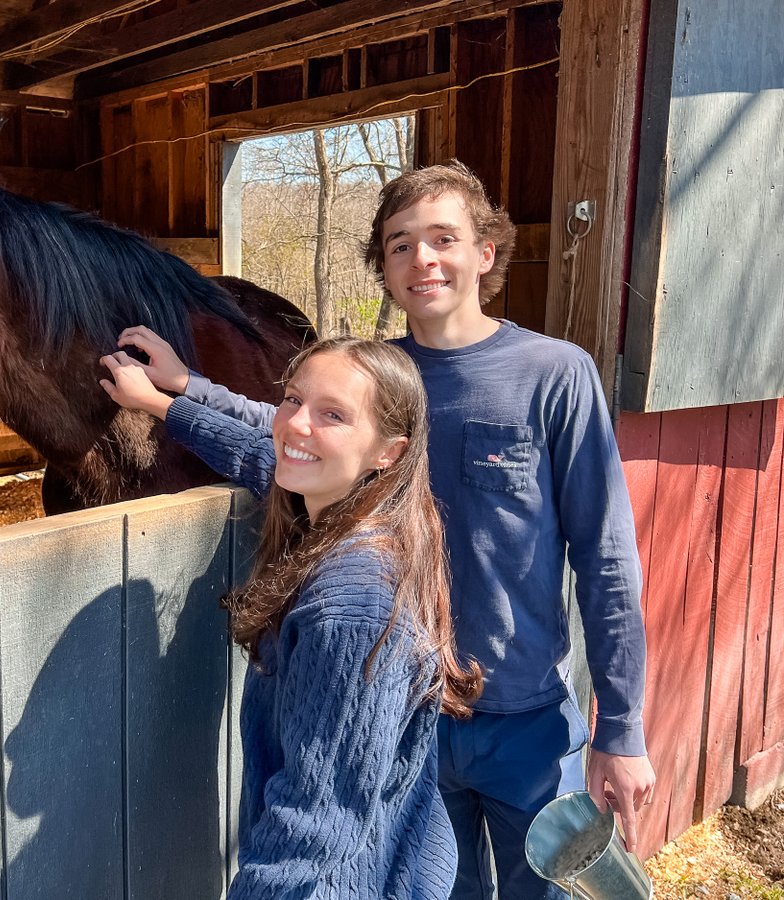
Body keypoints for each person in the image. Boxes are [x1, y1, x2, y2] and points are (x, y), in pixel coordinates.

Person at [102, 161, 655, 899]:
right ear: (383, 269)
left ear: (484, 252)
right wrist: (181, 393)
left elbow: (606, 558)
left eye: (442, 239)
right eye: (400, 245)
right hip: (408, 728)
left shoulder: (554, 374)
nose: (422, 260)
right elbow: (289, 441)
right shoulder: (379, 382)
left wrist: (621, 728)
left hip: (523, 725)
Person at [101, 336, 483, 898]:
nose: (295, 425)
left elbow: (317, 817)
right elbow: (264, 455)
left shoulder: (352, 606)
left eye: (333, 414)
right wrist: (167, 401)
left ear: (388, 452)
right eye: (292, 400)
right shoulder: (369, 514)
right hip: (386, 860)